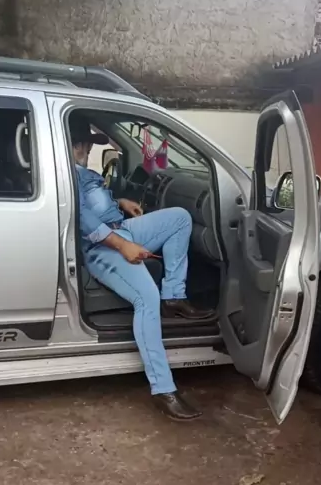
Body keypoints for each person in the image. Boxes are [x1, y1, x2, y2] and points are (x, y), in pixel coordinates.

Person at [70, 113, 216, 421]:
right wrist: (123, 246)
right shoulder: (65, 173)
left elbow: (93, 202)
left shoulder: (82, 172)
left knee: (179, 218)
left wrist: (119, 202)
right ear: (76, 146)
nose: (89, 150)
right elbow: (83, 218)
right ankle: (163, 388)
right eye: (86, 145)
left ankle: (173, 296)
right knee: (146, 298)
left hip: (122, 228)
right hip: (101, 247)